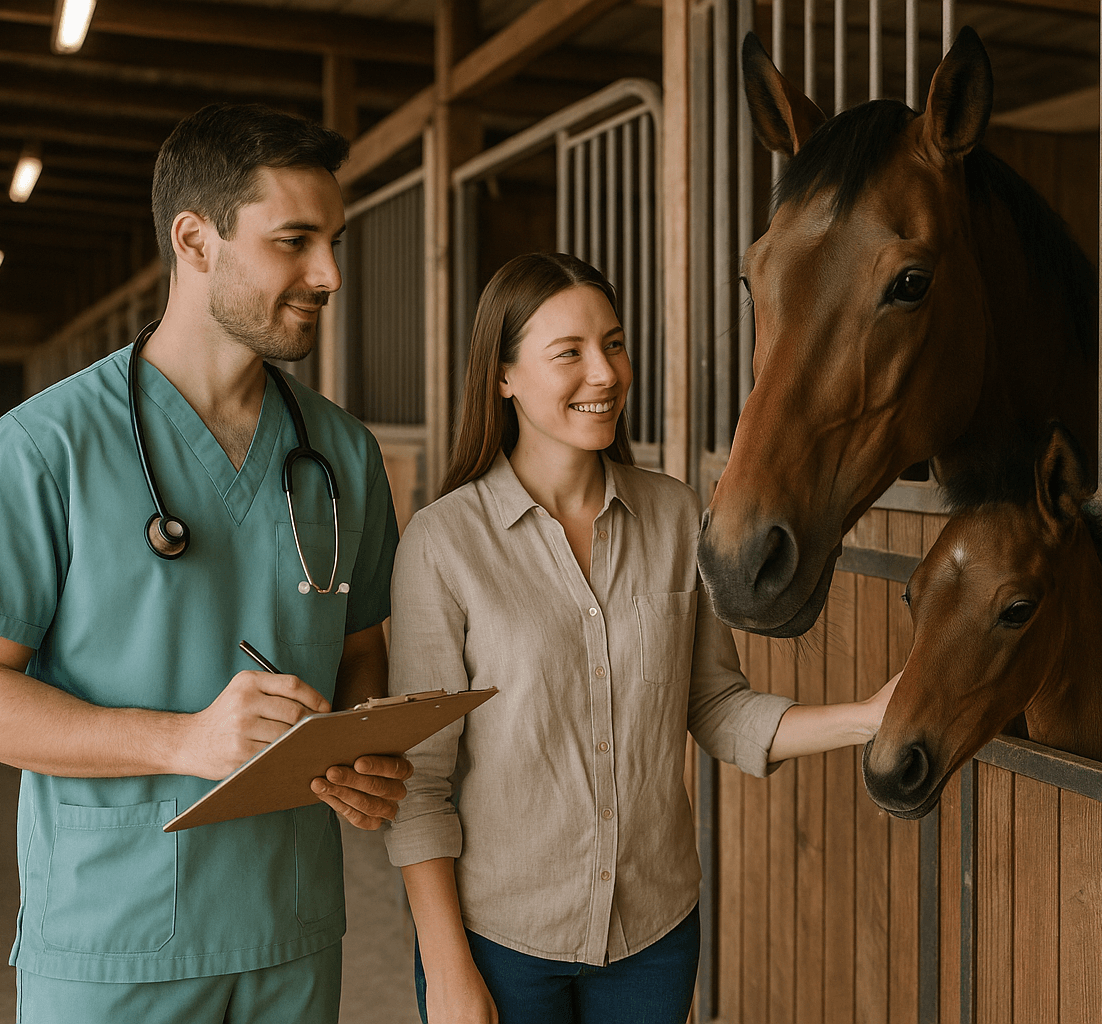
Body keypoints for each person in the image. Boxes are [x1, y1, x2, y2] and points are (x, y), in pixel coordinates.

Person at [0, 103, 410, 1023]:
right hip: (112, 934)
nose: (330, 274)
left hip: (289, 926)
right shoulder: (45, 445)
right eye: (296, 241)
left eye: (334, 241)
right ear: (196, 239)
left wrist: (358, 747)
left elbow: (356, 650)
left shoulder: (342, 454)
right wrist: (181, 742)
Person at [384, 253, 899, 1024]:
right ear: (503, 376)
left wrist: (867, 717)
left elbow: (717, 707)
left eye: (614, 344)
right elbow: (417, 784)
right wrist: (447, 968)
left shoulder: (675, 515)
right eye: (570, 353)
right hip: (500, 943)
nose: (606, 373)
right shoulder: (442, 544)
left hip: (654, 939)